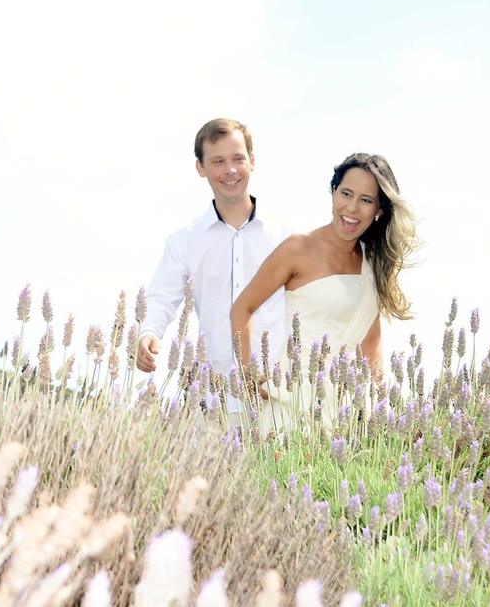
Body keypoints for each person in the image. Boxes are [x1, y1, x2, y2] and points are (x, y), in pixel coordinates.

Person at [230, 152, 418, 428]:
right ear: (333, 192)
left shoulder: (372, 262)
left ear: (379, 210)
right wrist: (248, 374)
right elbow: (242, 308)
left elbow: (371, 341)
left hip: (348, 409)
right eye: (346, 193)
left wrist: (374, 406)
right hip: (293, 398)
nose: (352, 208)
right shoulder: (298, 248)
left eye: (365, 200)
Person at [135, 118, 290, 420]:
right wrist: (149, 332)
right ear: (200, 168)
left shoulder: (284, 236)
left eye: (237, 159)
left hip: (275, 398)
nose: (230, 170)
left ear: (252, 161)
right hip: (213, 400)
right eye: (218, 161)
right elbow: (160, 299)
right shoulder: (184, 240)